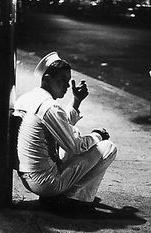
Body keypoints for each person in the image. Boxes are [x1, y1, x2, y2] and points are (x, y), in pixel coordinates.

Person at [14, 51, 117, 208]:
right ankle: (75, 200)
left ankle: (66, 195)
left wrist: (76, 101)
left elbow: (60, 125)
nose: (67, 86)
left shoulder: (28, 98)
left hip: (28, 177)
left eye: (68, 81)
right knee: (108, 147)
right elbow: (74, 146)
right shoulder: (49, 106)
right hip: (46, 182)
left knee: (73, 132)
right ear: (47, 80)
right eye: (62, 81)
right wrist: (97, 136)